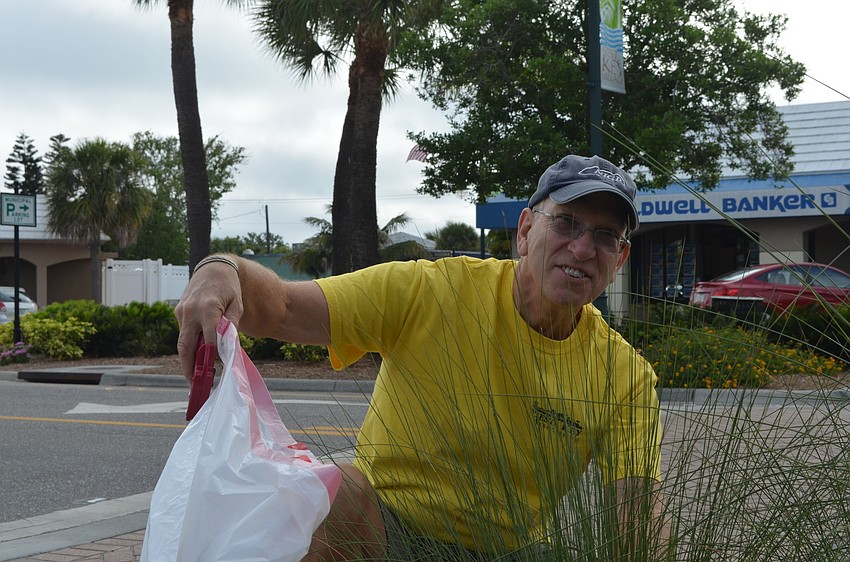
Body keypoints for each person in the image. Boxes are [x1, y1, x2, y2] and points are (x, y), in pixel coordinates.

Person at [175, 154, 668, 561]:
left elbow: (636, 511)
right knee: (336, 493)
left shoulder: (624, 375)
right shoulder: (431, 290)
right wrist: (220, 269)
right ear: (525, 230)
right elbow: (282, 307)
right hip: (389, 532)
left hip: (509, 550)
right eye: (567, 222)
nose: (583, 248)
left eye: (606, 236)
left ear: (620, 259)